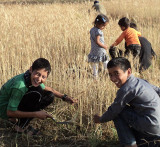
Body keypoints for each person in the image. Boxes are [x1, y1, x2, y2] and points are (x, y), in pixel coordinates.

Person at [0, 58, 77, 135]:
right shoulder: (20, 86)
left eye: (43, 77)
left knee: (49, 95)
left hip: (11, 106)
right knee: (36, 93)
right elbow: (10, 112)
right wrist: (36, 114)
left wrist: (65, 97)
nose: (39, 79)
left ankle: (17, 122)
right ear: (31, 70)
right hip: (5, 111)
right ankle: (20, 127)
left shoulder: (29, 78)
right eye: (37, 74)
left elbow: (49, 89)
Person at [94, 57, 160, 147]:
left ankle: (130, 144)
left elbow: (113, 111)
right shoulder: (141, 82)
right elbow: (158, 91)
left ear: (128, 72)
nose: (113, 78)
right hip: (156, 125)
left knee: (119, 112)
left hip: (150, 125)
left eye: (116, 73)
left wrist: (100, 119)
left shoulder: (126, 89)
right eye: (110, 75)